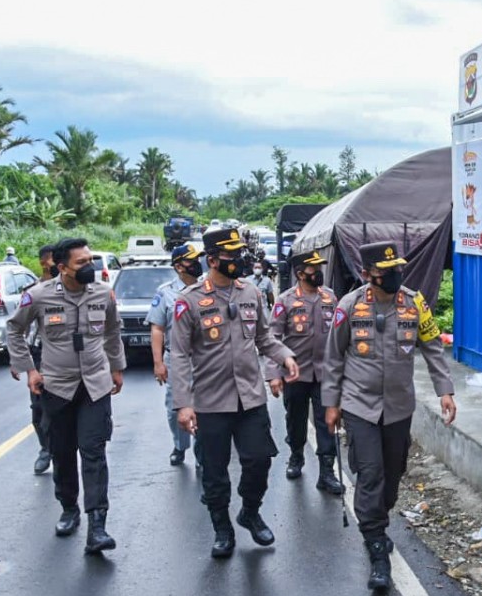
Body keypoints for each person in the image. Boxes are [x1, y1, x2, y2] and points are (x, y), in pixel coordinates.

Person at [322, 241, 457, 592]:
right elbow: (334, 357)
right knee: (371, 473)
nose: (396, 275)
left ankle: (377, 518)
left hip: (399, 405)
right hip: (359, 404)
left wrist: (446, 390)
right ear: (367, 275)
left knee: (393, 473)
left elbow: (432, 347)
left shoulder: (414, 304)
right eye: (387, 272)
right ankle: (377, 545)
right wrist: (331, 404)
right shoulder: (349, 306)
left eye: (398, 269)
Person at [169, 228, 300, 558]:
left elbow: (265, 338)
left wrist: (284, 356)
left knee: (259, 460)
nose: (240, 260)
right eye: (232, 255)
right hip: (210, 402)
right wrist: (183, 404)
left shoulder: (251, 293)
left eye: (241, 253)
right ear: (212, 260)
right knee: (214, 473)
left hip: (249, 397)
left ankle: (250, 511)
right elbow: (180, 355)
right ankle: (222, 529)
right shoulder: (189, 301)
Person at [6, 236, 127, 554]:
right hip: (57, 387)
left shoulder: (102, 293)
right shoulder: (38, 296)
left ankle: (97, 525)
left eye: (90, 260)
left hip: (95, 386)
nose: (90, 266)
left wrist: (117, 367)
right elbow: (14, 330)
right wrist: (29, 369)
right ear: (61, 268)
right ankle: (69, 507)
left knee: (94, 452)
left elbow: (113, 330)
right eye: (82, 262)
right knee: (62, 453)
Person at [267, 250, 343, 494]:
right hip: (295, 373)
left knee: (327, 421)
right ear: (300, 274)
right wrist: (274, 374)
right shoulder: (285, 301)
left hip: (325, 374)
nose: (318, 273)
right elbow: (272, 338)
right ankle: (296, 455)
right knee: (296, 420)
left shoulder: (330, 297)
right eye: (313, 269)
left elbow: (342, 336)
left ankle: (327, 471)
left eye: (319, 268)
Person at [147, 242, 206, 467]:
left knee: (203, 407)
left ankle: (203, 453)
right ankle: (180, 446)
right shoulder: (166, 292)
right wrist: (158, 362)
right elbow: (157, 328)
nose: (197, 264)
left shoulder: (207, 288)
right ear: (179, 266)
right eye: (192, 260)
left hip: (204, 358)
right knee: (175, 407)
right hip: (176, 359)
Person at [11, 244, 56, 475]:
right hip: (39, 355)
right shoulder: (32, 292)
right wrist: (19, 361)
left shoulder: (74, 288)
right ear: (43, 262)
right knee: (38, 409)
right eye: (52, 260)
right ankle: (45, 449)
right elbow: (19, 328)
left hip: (65, 356)